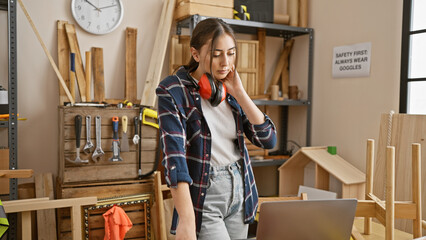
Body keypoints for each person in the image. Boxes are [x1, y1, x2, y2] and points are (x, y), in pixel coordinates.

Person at [156, 18, 277, 240]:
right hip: (206, 195)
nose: (225, 62)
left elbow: (268, 140)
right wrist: (186, 219)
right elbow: (175, 159)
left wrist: (239, 93)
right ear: (196, 54)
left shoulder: (228, 88)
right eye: (216, 54)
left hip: (241, 191)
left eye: (231, 53)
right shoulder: (172, 90)